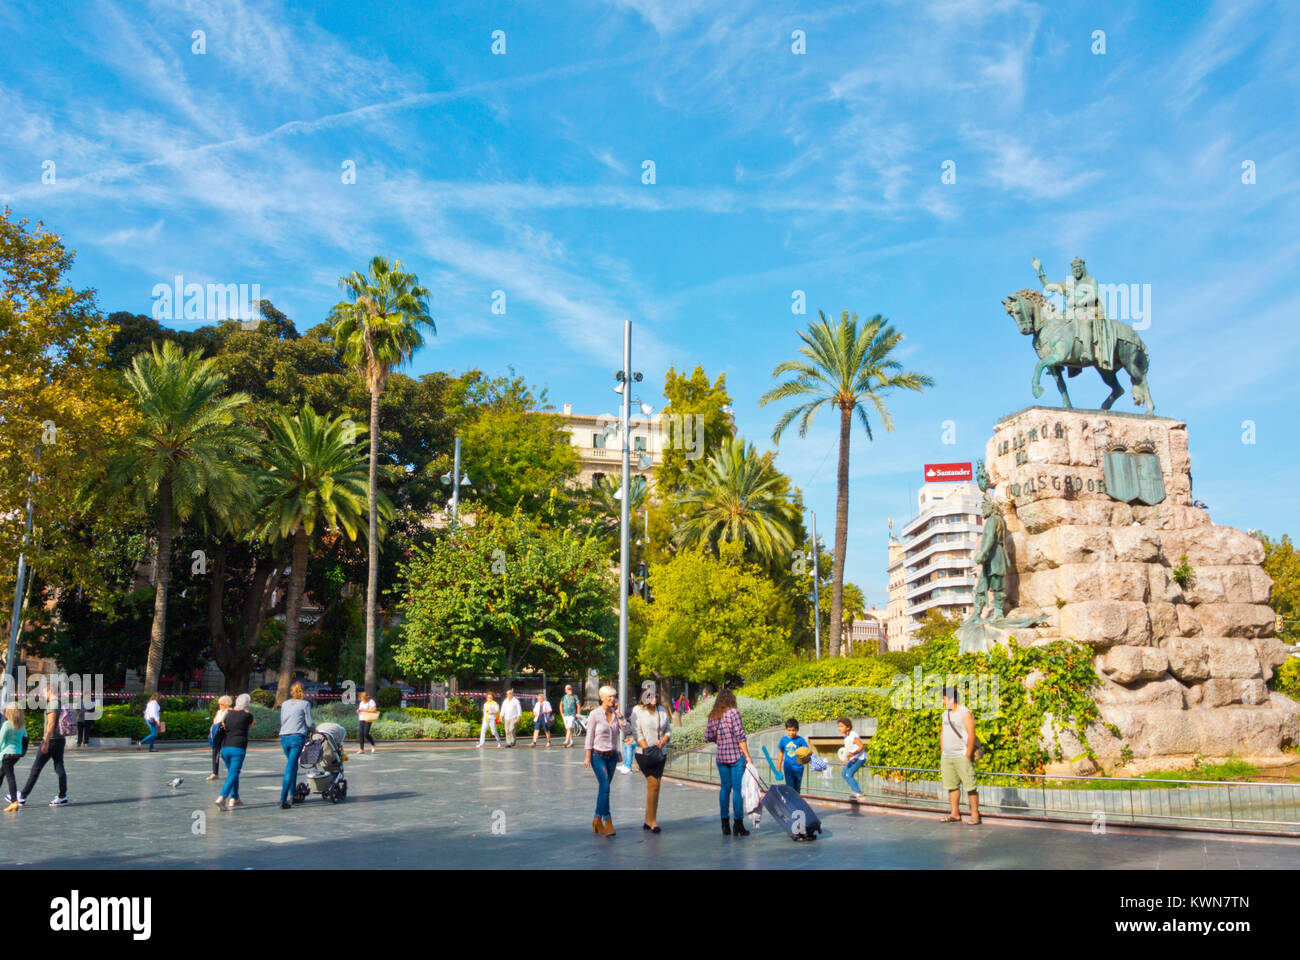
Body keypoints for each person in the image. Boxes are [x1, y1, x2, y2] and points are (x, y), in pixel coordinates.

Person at [705, 688, 752, 836]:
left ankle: (724, 823)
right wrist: (748, 756)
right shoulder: (734, 712)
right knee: (737, 790)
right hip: (736, 757)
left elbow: (708, 736)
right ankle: (738, 824)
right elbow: (740, 736)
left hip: (721, 757)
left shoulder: (714, 715)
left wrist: (719, 739)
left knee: (725, 788)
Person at [583, 685, 629, 837]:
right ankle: (607, 821)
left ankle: (596, 819)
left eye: (614, 696)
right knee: (605, 786)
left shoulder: (616, 714)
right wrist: (588, 757)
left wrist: (620, 714)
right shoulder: (595, 714)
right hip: (598, 755)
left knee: (604, 788)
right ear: (601, 698)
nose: (612, 699)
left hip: (612, 756)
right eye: (609, 696)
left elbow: (626, 729)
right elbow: (589, 736)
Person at [20, 684, 70, 806]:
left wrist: (45, 742)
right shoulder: (59, 703)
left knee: (36, 769)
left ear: (49, 691)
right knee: (59, 766)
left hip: (51, 740)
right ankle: (62, 796)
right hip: (60, 740)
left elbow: (51, 724)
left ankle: (22, 796)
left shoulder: (52, 704)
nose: (42, 695)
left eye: (43, 692)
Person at [631, 681, 671, 833]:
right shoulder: (638, 711)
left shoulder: (661, 711)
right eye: (651, 695)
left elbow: (668, 730)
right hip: (645, 753)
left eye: (656, 695)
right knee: (653, 784)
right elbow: (636, 731)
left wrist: (664, 739)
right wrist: (646, 747)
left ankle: (649, 819)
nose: (654, 698)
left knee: (655, 786)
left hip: (660, 752)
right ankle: (652, 821)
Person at [939, 686, 981, 825]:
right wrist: (942, 751)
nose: (942, 701)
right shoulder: (945, 714)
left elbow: (971, 734)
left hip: (961, 756)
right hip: (947, 756)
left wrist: (967, 755)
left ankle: (975, 815)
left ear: (951, 698)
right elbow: (942, 732)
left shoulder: (965, 713)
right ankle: (954, 813)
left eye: (944, 699)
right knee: (952, 786)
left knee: (970, 786)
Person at [278, 682, 315, 810]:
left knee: (292, 765)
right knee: (290, 767)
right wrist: (314, 729)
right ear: (302, 692)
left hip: (284, 736)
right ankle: (283, 799)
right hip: (297, 737)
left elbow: (283, 720)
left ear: (291, 692)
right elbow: (309, 723)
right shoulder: (305, 704)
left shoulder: (285, 704)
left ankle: (293, 794)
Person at [216, 694, 255, 810]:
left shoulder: (228, 714)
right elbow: (253, 724)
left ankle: (235, 797)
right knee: (233, 773)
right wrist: (247, 711)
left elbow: (223, 724)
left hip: (225, 747)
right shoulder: (247, 716)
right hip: (238, 747)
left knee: (232, 774)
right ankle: (222, 797)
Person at [1, 703, 25, 811]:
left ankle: (14, 801)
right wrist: (22, 752)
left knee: (10, 777)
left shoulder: (7, 724)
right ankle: (14, 801)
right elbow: (26, 739)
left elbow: (0, 740)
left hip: (7, 754)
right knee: (1, 774)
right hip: (16, 754)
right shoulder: (22, 726)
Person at [778, 718, 810, 794]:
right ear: (786, 729)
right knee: (789, 788)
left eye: (793, 730)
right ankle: (790, 804)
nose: (791, 732)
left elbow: (806, 751)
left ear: (797, 730)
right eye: (789, 730)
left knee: (797, 789)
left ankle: (796, 804)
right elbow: (781, 753)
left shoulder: (800, 740)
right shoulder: (783, 740)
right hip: (788, 768)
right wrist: (778, 767)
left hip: (799, 768)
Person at [838, 718, 867, 801]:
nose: (839, 728)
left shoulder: (853, 735)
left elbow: (861, 746)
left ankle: (860, 794)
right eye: (838, 726)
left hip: (860, 758)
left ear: (848, 727)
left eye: (841, 726)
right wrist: (846, 761)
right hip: (853, 758)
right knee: (844, 774)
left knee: (849, 774)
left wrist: (853, 754)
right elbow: (849, 751)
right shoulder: (845, 737)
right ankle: (856, 793)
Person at [206, 695, 232, 780]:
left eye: (222, 704)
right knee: (215, 753)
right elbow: (215, 722)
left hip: (225, 735)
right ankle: (215, 773)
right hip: (217, 735)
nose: (220, 705)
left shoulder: (230, 712)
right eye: (219, 704)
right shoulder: (219, 712)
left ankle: (231, 771)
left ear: (227, 704)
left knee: (225, 754)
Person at [619, 697, 636, 774]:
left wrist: (631, 740)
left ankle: (628, 767)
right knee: (626, 745)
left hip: (639, 740)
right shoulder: (630, 722)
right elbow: (628, 732)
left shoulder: (637, 722)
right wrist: (626, 739)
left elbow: (637, 734)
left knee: (629, 745)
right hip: (632, 739)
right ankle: (625, 765)